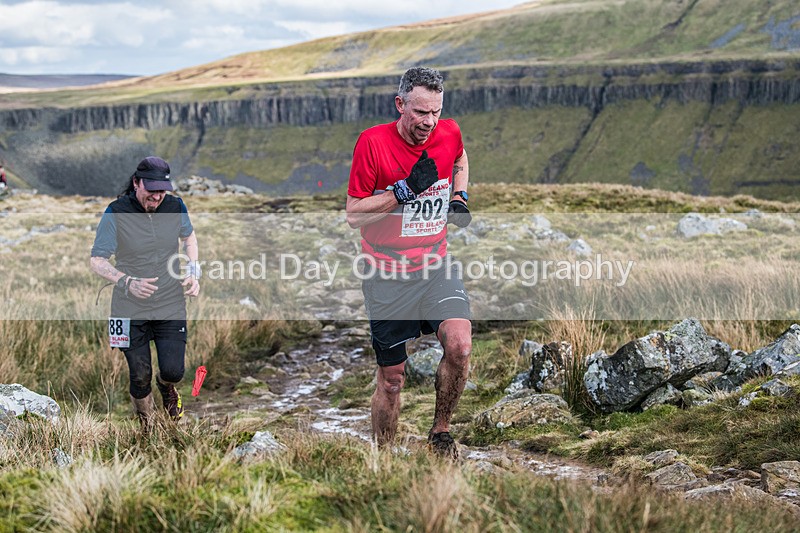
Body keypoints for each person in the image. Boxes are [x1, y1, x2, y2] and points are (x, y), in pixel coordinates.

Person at [346, 67, 473, 459]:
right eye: (420, 112)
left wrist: (459, 196)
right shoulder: (372, 143)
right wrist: (402, 191)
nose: (428, 122)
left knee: (460, 346)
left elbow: (460, 156)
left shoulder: (447, 132)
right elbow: (354, 213)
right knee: (392, 380)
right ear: (400, 105)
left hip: (435, 266)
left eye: (435, 112)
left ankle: (440, 432)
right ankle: (384, 457)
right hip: (386, 274)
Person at [90, 156, 200, 433]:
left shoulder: (175, 206)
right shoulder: (116, 211)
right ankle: (148, 428)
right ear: (136, 183)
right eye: (151, 190)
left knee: (174, 371)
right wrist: (126, 282)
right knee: (140, 376)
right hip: (128, 305)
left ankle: (167, 388)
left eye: (162, 190)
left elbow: (189, 237)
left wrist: (193, 272)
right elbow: (97, 260)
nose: (157, 196)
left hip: (170, 300)